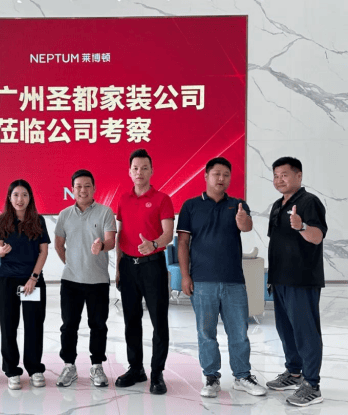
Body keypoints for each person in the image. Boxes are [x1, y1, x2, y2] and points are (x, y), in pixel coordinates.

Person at [176, 157, 266, 398]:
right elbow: (183, 243)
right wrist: (185, 276)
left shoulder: (238, 205)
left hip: (233, 280)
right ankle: (211, 377)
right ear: (206, 176)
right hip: (202, 281)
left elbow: (246, 227)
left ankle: (242, 376)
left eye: (226, 175)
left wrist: (243, 221)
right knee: (206, 334)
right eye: (216, 173)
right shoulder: (191, 206)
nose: (221, 178)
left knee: (239, 333)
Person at [266, 157, 327, 407]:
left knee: (305, 331)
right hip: (280, 279)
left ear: (298, 176)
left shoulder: (309, 202)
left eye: (285, 175)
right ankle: (293, 373)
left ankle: (312, 385)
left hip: (302, 279)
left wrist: (301, 227)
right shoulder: (277, 205)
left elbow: (317, 236)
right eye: (276, 175)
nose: (279, 180)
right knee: (286, 330)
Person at [114, 148, 173, 395]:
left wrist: (154, 244)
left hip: (153, 266)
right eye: (135, 168)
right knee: (131, 320)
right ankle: (136, 368)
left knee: (159, 321)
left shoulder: (162, 199)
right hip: (128, 267)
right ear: (130, 172)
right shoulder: (123, 199)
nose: (139, 172)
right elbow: (120, 235)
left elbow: (168, 234)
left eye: (144, 168)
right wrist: (118, 267)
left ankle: (157, 372)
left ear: (151, 171)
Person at [54, 170, 116, 388]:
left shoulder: (105, 212)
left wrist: (101, 246)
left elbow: (111, 242)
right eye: (78, 186)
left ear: (94, 188)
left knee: (98, 325)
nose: (83, 190)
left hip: (98, 281)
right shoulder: (64, 215)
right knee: (68, 325)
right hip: (70, 281)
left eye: (87, 186)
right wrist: (72, 264)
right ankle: (69, 365)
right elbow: (59, 245)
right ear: (72, 190)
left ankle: (97, 366)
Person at [0, 179, 50, 390]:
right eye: (16, 195)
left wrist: (33, 278)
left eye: (24, 195)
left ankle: (34, 369)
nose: (20, 199)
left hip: (32, 281)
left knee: (34, 325)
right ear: (9, 198)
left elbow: (43, 251)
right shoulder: (1, 221)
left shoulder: (38, 220)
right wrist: (0, 252)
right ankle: (11, 370)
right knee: (8, 326)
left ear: (30, 198)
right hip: (8, 280)